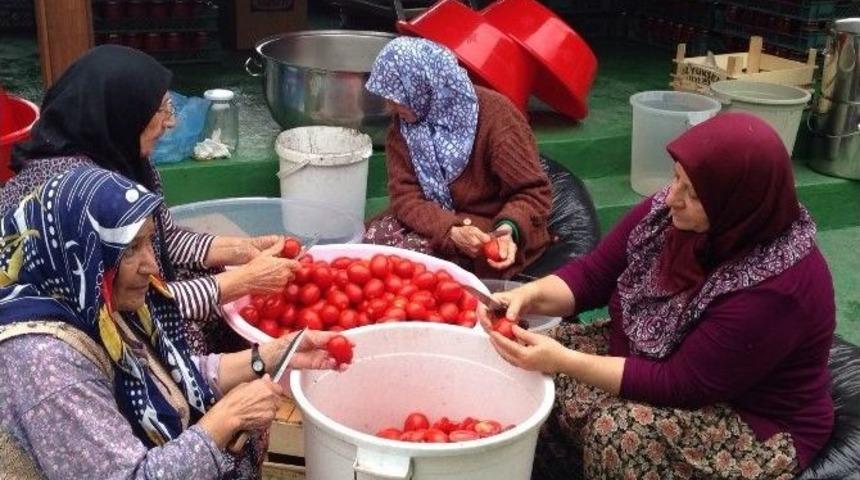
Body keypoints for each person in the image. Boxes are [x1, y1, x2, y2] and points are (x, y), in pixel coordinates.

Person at [481, 113, 835, 479]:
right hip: (659, 353)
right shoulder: (670, 215)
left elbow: (682, 383)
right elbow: (594, 276)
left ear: (736, 204)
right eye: (677, 178)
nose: (673, 199)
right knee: (524, 365)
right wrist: (526, 295)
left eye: (694, 194)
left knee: (619, 432)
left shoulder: (777, 288)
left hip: (750, 416)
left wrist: (564, 360)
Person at [0, 166, 345, 479]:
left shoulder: (89, 300)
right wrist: (224, 420)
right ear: (81, 253)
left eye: (149, 241)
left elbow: (169, 376)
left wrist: (270, 355)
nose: (151, 264)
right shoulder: (47, 363)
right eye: (131, 248)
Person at [1, 45, 292, 355]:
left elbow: (166, 239)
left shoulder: (125, 155)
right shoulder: (78, 198)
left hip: (127, 300)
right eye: (159, 111)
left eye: (169, 107)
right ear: (122, 113)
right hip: (85, 331)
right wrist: (242, 282)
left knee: (213, 274)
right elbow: (126, 308)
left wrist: (242, 250)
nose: (171, 123)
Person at [363, 37, 552, 279]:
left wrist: (508, 228)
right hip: (437, 218)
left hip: (489, 221)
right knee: (373, 246)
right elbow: (405, 195)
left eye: (397, 97)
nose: (390, 107)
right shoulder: (406, 124)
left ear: (425, 85)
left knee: (414, 268)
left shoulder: (498, 119)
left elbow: (533, 192)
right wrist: (448, 230)